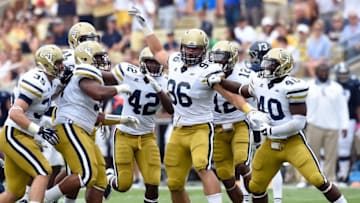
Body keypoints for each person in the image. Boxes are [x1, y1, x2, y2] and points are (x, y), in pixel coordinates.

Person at [128, 7, 245, 203]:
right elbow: (157, 51)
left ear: (203, 50)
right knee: (174, 182)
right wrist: (145, 25)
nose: (190, 51)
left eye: (195, 48)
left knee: (203, 166)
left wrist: (249, 111)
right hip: (178, 129)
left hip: (200, 127)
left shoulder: (209, 70)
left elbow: (231, 96)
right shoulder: (174, 61)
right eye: (188, 47)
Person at [208, 48, 348, 203]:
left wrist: (270, 129)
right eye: (266, 63)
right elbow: (241, 90)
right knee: (256, 186)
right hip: (270, 143)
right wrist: (221, 81)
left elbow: (299, 123)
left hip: (292, 142)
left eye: (271, 64)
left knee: (318, 179)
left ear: (284, 66)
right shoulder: (260, 81)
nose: (266, 67)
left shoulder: (292, 86)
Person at [43, 41, 137, 203]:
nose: (102, 61)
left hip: (80, 128)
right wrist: (119, 88)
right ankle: (45, 198)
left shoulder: (88, 79)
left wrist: (123, 119)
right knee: (85, 174)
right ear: (86, 58)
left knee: (99, 180)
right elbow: (97, 93)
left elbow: (96, 117)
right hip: (70, 125)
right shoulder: (82, 73)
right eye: (98, 57)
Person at [105, 47, 174, 203]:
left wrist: (159, 91)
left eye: (156, 62)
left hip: (147, 136)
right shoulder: (129, 73)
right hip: (124, 135)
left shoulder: (166, 82)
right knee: (123, 185)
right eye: (150, 62)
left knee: (153, 183)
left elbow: (171, 109)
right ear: (142, 63)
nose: (154, 66)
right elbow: (105, 79)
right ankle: (108, 177)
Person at [0, 44, 64, 203]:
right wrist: (40, 130)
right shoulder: (36, 80)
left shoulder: (51, 81)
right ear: (47, 63)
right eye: (57, 63)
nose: (61, 66)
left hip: (24, 136)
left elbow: (48, 96)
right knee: (43, 171)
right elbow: (15, 112)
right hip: (14, 134)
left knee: (14, 193)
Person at [209, 40, 252, 203]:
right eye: (215, 57)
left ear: (232, 58)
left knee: (241, 164)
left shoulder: (244, 75)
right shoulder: (205, 73)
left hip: (239, 123)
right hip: (217, 127)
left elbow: (252, 97)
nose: (218, 62)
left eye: (222, 57)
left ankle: (257, 197)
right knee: (225, 176)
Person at [306, 63, 349, 184]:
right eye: (321, 71)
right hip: (314, 125)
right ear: (316, 73)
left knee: (331, 155)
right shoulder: (309, 86)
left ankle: (330, 178)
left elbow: (342, 108)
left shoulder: (336, 87)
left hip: (333, 126)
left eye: (326, 71)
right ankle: (311, 179)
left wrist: (344, 125)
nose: (324, 74)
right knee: (312, 154)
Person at [334, 62, 360, 183]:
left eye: (345, 74)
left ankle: (343, 175)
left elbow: (357, 105)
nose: (343, 77)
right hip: (333, 120)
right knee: (329, 149)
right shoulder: (332, 86)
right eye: (341, 74)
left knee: (345, 147)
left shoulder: (353, 86)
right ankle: (330, 173)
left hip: (349, 119)